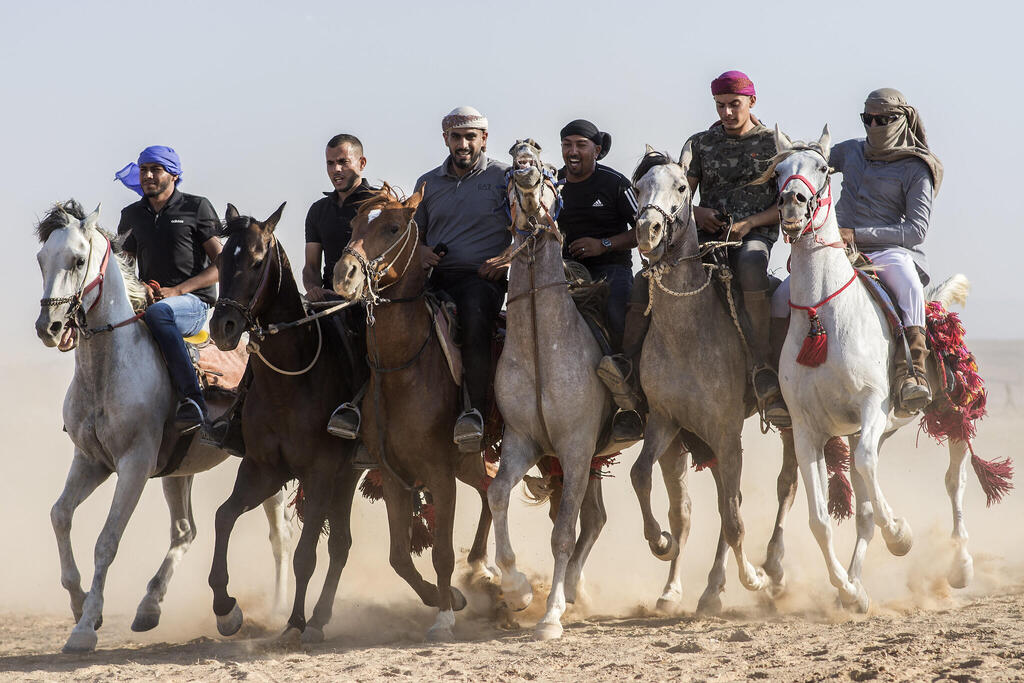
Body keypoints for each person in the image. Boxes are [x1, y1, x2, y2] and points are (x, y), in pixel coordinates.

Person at [599, 70, 789, 438]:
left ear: (752, 101)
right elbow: (682, 192)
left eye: (735, 104)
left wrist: (750, 224)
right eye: (721, 105)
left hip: (752, 237)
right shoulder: (701, 143)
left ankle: (763, 366)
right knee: (645, 280)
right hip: (705, 238)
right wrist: (700, 214)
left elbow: (787, 205)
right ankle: (628, 369)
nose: (728, 112)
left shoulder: (773, 144)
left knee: (750, 267)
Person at [773, 87, 942, 415]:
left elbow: (916, 231)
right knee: (781, 298)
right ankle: (780, 384)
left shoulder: (916, 168)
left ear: (901, 120)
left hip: (889, 252)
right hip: (835, 250)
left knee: (908, 286)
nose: (874, 125)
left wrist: (857, 234)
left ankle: (913, 372)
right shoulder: (850, 151)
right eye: (867, 119)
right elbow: (813, 163)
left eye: (883, 119)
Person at [414, 106, 510, 452]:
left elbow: (529, 227)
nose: (464, 144)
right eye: (456, 137)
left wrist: (507, 257)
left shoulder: (504, 176)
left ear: (484, 139)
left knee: (473, 319)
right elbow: (415, 237)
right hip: (437, 277)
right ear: (446, 140)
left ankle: (474, 412)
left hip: (481, 279)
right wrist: (422, 252)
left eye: (471, 137)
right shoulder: (427, 183)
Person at [115, 145, 221, 434]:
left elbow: (223, 264)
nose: (147, 175)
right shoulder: (131, 215)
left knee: (160, 313)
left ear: (173, 174)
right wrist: (137, 289)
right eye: (144, 169)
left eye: (155, 169)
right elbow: (123, 267)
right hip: (148, 302)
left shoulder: (196, 207)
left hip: (193, 304)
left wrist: (179, 290)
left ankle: (193, 400)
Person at [558, 119, 638, 349]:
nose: (573, 151)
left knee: (616, 316)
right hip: (564, 271)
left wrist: (603, 244)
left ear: (597, 150)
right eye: (567, 144)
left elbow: (644, 231)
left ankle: (626, 372)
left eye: (581, 145)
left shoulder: (615, 183)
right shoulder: (553, 183)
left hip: (611, 269)